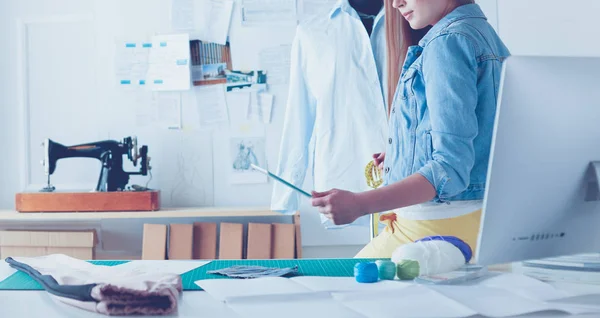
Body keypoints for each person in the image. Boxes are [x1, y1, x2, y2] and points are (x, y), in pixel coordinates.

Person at [311, 0, 511, 258]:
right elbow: (478, 140)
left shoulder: (446, 42)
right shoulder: (485, 35)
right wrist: (405, 155)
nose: (395, 3)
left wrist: (360, 204)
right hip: (477, 223)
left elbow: (449, 169)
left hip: (434, 227)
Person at [271, 0, 389, 230]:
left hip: (410, 179)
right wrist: (286, 193)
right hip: (346, 172)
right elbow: (299, 112)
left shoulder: (413, 21)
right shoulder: (312, 32)